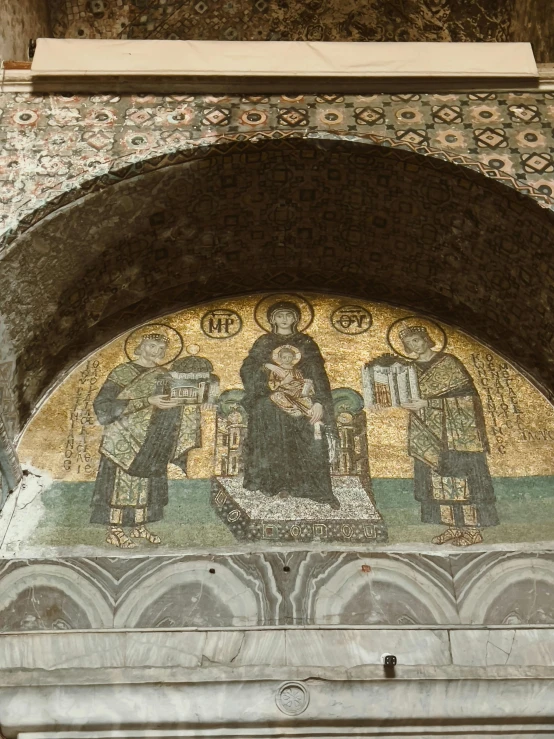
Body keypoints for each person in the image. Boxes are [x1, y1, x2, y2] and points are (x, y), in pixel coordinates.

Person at [399, 325, 499, 546]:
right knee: (439, 480)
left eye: (417, 339)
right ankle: (453, 527)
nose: (415, 345)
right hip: (427, 431)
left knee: (463, 478)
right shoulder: (410, 369)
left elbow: (470, 401)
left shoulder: (449, 363)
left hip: (458, 434)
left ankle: (473, 530)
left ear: (427, 338)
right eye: (410, 343)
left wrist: (429, 403)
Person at [240, 300, 340, 509]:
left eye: (289, 315)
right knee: (267, 413)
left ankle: (314, 489)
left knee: (312, 429)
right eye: (279, 315)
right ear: (272, 319)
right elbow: (249, 369)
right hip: (271, 397)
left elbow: (318, 374)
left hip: (304, 398)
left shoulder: (306, 343)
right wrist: (268, 371)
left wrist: (319, 402)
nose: (284, 319)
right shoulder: (264, 342)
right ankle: (274, 483)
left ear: (296, 319)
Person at [90, 333, 184, 548]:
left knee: (146, 483)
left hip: (151, 439)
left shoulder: (164, 375)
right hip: (122, 438)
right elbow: (104, 406)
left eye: (161, 348)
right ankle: (114, 530)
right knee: (120, 485)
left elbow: (170, 404)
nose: (157, 351)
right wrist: (147, 400)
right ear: (139, 347)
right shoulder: (122, 372)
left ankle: (139, 526)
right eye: (152, 345)